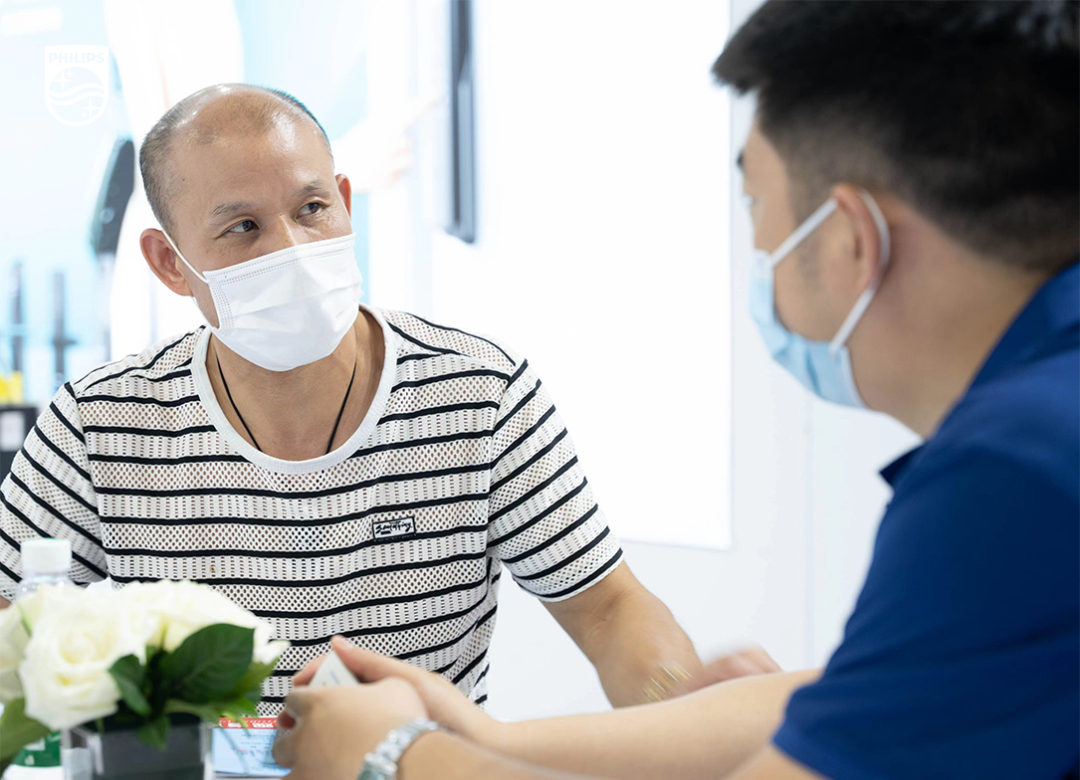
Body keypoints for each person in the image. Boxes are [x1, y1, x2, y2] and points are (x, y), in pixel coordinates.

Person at [270, 1, 1080, 780]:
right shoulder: (1046, 420)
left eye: (756, 207)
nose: (758, 250)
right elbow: (872, 704)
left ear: (849, 240)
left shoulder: (1014, 472)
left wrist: (394, 769)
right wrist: (482, 739)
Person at [0, 84, 777, 713]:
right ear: (171, 264)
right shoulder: (98, 425)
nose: (293, 253)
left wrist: (684, 710)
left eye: (311, 209)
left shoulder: (480, 395)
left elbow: (609, 611)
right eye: (242, 228)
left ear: (344, 198)